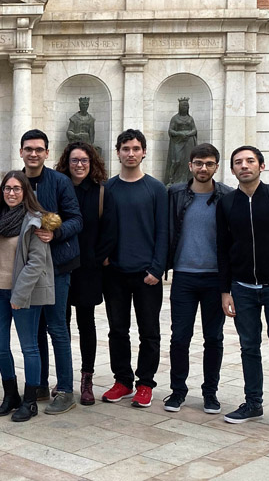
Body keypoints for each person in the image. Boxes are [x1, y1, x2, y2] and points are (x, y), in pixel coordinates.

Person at [217, 145, 269, 435]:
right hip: (243, 288)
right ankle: (253, 403)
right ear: (233, 169)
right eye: (238, 162)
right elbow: (222, 249)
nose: (244, 166)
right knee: (249, 347)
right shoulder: (227, 203)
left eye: (250, 161)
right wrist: (226, 291)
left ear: (261, 166)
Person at [164, 143, 231, 414]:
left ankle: (210, 393)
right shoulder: (175, 194)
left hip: (216, 278)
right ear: (190, 165)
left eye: (209, 164)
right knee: (180, 337)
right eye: (199, 163)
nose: (203, 168)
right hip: (184, 277)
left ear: (216, 166)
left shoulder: (227, 196)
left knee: (213, 338)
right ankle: (177, 391)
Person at [102, 129, 167, 408]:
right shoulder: (108, 188)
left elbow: (164, 231)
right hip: (115, 273)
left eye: (136, 148)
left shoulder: (156, 189)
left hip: (146, 275)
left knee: (149, 331)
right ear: (117, 152)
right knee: (117, 329)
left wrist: (157, 268)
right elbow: (101, 228)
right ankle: (123, 381)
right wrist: (103, 258)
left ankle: (145, 384)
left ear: (144, 152)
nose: (131, 153)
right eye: (125, 148)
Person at [19, 129, 82, 415]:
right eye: (28, 149)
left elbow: (76, 220)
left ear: (47, 152)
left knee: (57, 328)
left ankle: (66, 389)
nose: (34, 153)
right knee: (35, 331)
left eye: (39, 149)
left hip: (57, 267)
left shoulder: (60, 182)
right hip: (27, 270)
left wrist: (54, 234)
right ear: (21, 152)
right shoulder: (14, 182)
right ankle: (40, 384)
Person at [0, 171, 54, 422]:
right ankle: (10, 395)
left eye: (16, 188)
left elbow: (37, 262)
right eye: (7, 188)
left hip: (23, 295)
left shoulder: (35, 221)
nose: (11, 193)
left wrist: (19, 293)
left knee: (29, 347)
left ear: (25, 192)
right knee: (0, 346)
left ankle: (30, 401)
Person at [55, 141, 117, 405]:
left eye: (84, 161)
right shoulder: (58, 189)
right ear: (66, 163)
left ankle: (87, 377)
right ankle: (64, 377)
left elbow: (110, 230)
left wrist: (97, 258)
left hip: (88, 269)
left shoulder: (101, 192)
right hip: (61, 266)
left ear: (92, 163)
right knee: (61, 325)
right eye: (74, 161)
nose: (79, 165)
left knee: (86, 324)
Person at [165, 97, 198, 186]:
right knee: (176, 161)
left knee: (188, 161)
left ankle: (187, 179)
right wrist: (180, 134)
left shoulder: (190, 119)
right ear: (179, 107)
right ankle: (171, 180)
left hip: (189, 141)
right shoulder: (175, 118)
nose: (185, 107)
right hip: (178, 142)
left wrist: (188, 133)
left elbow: (194, 130)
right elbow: (170, 130)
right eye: (183, 106)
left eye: (186, 106)